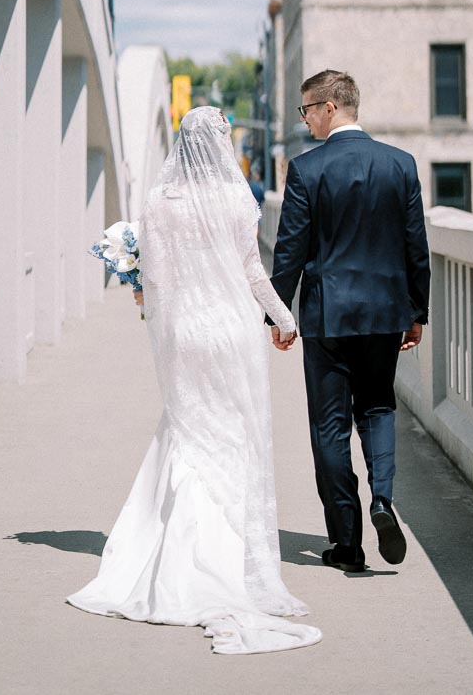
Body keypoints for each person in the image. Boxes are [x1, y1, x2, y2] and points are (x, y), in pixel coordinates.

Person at [68, 105, 322, 655]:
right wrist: (284, 317)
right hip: (232, 333)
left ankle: (179, 553)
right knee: (236, 439)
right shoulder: (236, 198)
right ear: (222, 145)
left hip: (186, 334)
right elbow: (253, 269)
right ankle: (233, 558)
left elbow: (155, 276)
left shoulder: (159, 201)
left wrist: (140, 289)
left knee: (190, 432)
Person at [269, 69, 430, 574]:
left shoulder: (306, 170)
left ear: (330, 107)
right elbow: (415, 247)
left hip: (327, 316)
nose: (306, 119)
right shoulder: (400, 164)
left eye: (307, 109)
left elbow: (290, 251)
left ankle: (348, 543)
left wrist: (277, 313)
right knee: (379, 409)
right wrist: (416, 312)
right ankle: (383, 499)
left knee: (330, 427)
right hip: (385, 313)